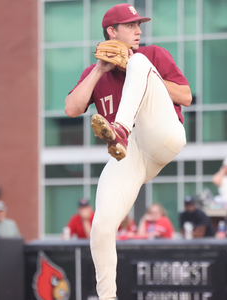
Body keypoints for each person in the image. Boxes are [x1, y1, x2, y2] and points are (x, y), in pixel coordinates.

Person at [64, 4, 191, 299]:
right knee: (102, 228)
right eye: (131, 25)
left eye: (138, 25)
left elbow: (185, 96)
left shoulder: (152, 54)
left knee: (138, 64)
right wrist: (99, 69)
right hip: (128, 155)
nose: (139, 30)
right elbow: (72, 108)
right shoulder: (95, 72)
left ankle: (120, 128)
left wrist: (142, 72)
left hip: (162, 134)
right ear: (112, 32)